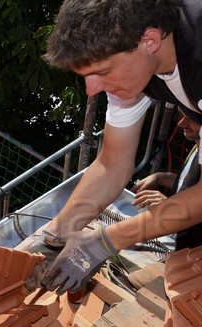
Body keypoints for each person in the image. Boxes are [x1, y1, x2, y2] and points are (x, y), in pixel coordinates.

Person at [27, 0, 202, 295]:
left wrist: (105, 241)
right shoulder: (137, 64)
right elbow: (112, 164)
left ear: (150, 40)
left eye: (103, 71)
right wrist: (52, 236)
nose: (92, 89)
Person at [131, 111, 201, 250]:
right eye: (182, 116)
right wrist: (161, 178)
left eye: (191, 118)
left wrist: (171, 207)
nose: (181, 123)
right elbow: (189, 183)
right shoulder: (196, 147)